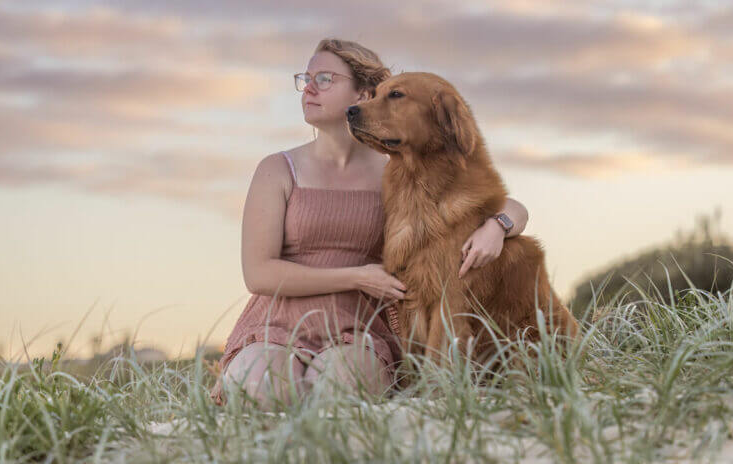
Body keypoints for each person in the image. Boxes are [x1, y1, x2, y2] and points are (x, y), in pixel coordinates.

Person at [209, 38, 529, 410]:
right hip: (277, 325)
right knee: (262, 391)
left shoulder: (397, 171)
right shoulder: (278, 169)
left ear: (363, 93)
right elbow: (259, 274)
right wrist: (358, 276)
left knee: (338, 396)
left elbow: (510, 206)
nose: (309, 88)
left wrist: (497, 226)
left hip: (360, 328)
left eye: (325, 78)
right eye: (306, 78)